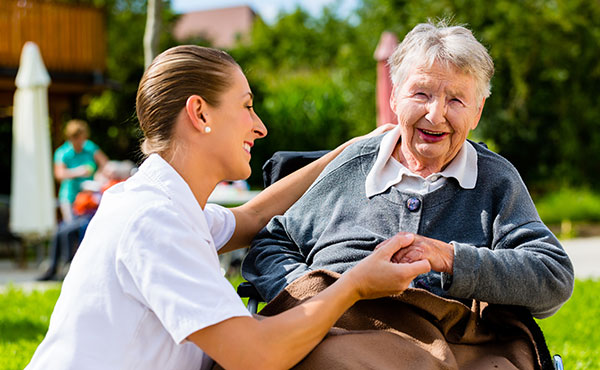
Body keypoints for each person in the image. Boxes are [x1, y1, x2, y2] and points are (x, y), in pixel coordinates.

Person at [26, 45, 430, 370]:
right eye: (247, 106)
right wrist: (356, 284)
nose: (260, 126)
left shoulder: (163, 204)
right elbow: (256, 356)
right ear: (200, 113)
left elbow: (253, 217)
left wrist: (353, 149)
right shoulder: (153, 221)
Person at [242, 21, 574, 319]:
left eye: (456, 100)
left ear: (477, 112)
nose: (435, 114)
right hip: (335, 342)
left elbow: (552, 276)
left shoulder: (495, 181)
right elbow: (272, 243)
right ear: (396, 98)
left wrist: (450, 258)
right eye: (421, 94)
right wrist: (312, 298)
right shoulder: (353, 166)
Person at [53, 119, 109, 222]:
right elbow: (59, 174)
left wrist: (99, 174)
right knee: (72, 230)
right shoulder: (62, 153)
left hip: (89, 196)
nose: (81, 141)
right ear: (71, 138)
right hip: (70, 197)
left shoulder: (89, 147)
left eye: (83, 138)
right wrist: (78, 172)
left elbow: (105, 163)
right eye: (78, 138)